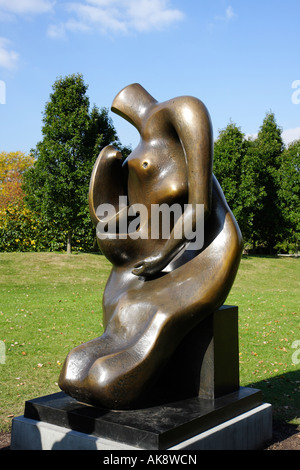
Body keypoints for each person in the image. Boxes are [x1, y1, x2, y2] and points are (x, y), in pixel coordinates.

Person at [59, 84, 243, 409]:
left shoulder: (185, 110)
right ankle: (111, 363)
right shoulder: (137, 152)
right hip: (161, 252)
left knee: (145, 326)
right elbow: (140, 214)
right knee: (77, 365)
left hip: (206, 250)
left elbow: (200, 206)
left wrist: (162, 256)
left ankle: (124, 377)